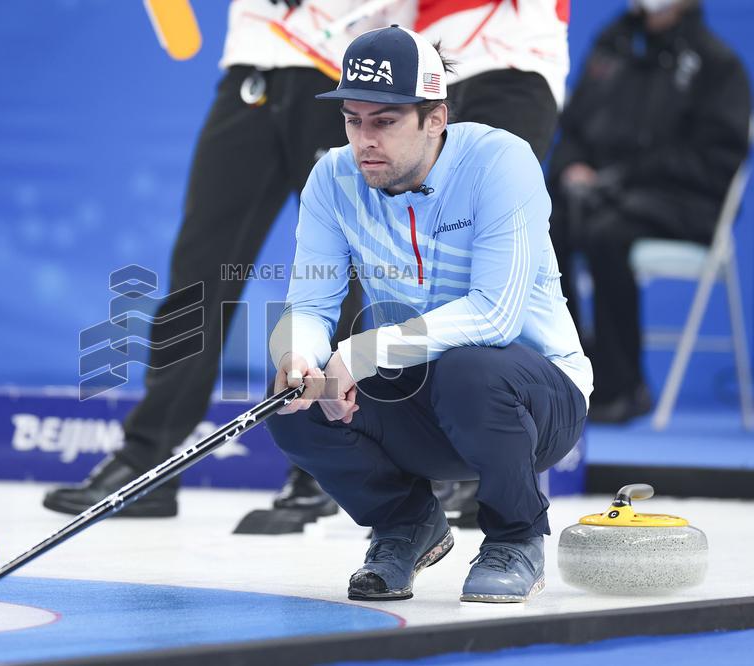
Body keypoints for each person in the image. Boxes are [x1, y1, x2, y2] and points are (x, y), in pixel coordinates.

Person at [266, 25, 592, 602]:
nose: (364, 139)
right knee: (292, 407)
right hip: (422, 403)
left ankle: (516, 537)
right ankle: (406, 524)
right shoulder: (332, 178)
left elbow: (496, 317)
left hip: (538, 401)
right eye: (353, 119)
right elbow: (310, 303)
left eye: (385, 121)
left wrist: (361, 352)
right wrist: (298, 360)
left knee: (472, 368)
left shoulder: (501, 161)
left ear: (435, 118)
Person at [41, 0, 403, 517]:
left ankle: (324, 463)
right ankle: (148, 459)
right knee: (200, 271)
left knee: (335, 274)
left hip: (344, 74)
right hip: (253, 66)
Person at [547, 0, 750, 423]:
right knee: (547, 220)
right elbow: (574, 125)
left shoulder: (716, 65)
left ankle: (621, 385)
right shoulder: (614, 45)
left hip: (683, 203)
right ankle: (564, 370)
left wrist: (620, 178)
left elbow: (714, 162)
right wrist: (572, 169)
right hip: (605, 191)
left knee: (604, 231)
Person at [409, 0, 572, 524]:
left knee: (489, 242)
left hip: (514, 59)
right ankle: (445, 450)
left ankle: (499, 448)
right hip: (433, 64)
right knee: (429, 253)